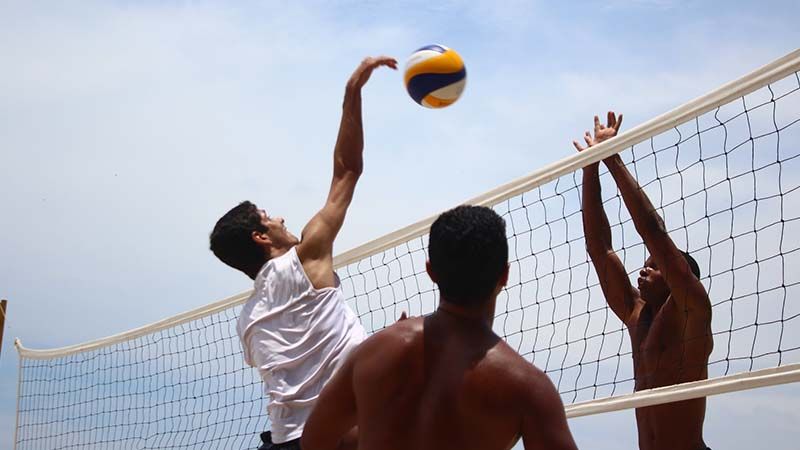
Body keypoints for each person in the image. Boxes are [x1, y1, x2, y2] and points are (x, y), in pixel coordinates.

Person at [209, 56, 397, 450]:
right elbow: (347, 170)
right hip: (335, 437)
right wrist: (352, 93)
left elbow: (311, 365)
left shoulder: (248, 322)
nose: (279, 216)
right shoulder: (305, 258)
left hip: (284, 443)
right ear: (262, 237)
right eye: (268, 216)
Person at [301, 205, 578, 450]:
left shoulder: (374, 352)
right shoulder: (527, 387)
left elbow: (314, 441)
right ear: (505, 274)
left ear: (430, 271)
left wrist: (378, 423)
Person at [574, 112, 713, 450]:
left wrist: (612, 156)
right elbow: (600, 249)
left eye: (656, 266)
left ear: (680, 277)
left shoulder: (691, 310)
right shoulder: (637, 315)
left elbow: (653, 231)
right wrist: (590, 167)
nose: (644, 269)